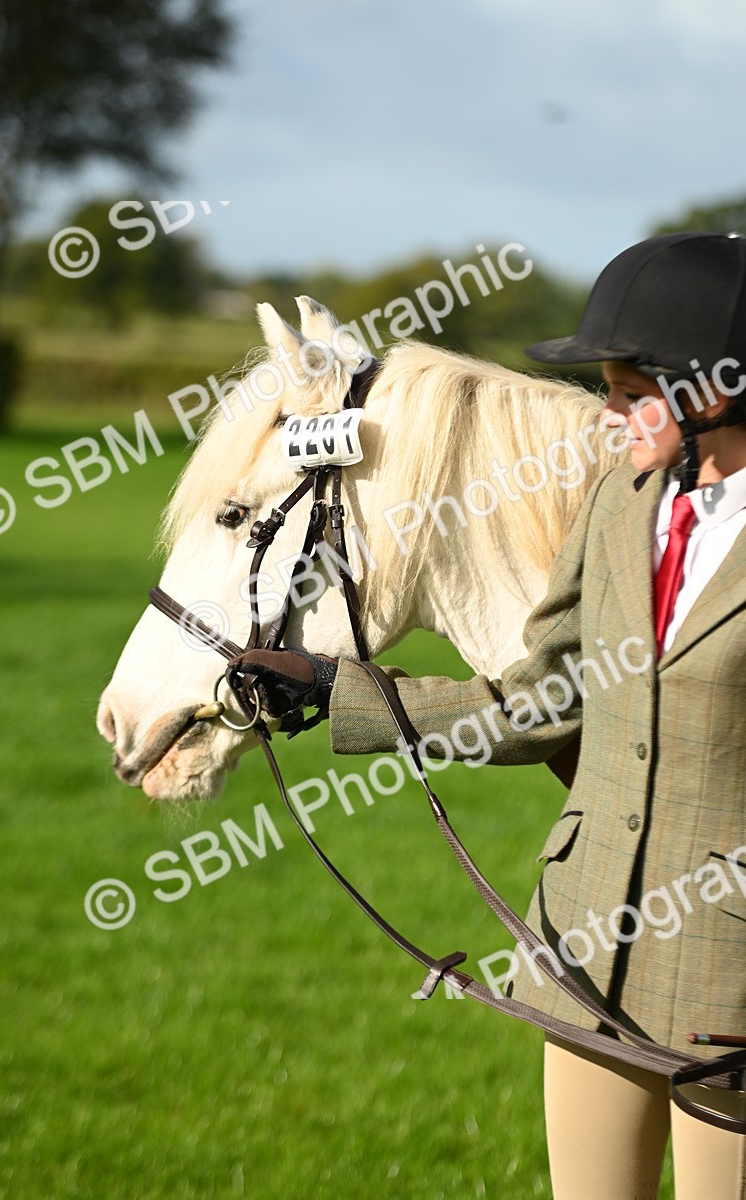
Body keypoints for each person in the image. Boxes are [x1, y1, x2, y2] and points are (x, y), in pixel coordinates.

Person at [230, 231, 746, 1199]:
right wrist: (334, 691)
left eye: (630, 394)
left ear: (712, 393)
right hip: (583, 948)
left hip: (731, 983)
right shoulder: (619, 501)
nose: (609, 415)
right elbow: (543, 699)